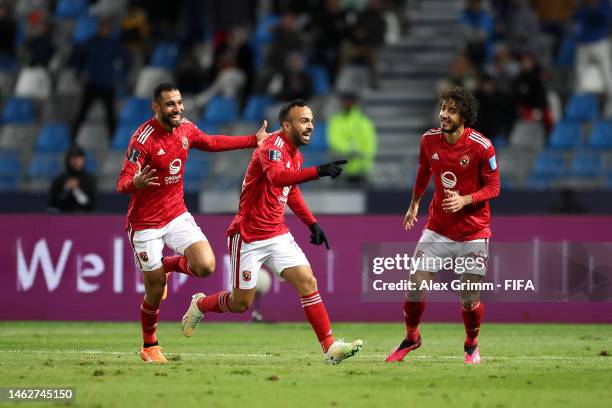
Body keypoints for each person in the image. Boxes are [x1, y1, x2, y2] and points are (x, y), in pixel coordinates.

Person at [180, 99, 363, 365]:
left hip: (277, 233)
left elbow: (290, 191)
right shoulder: (272, 147)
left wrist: (311, 223)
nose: (310, 126)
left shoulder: (295, 153)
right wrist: (319, 172)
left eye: (311, 120)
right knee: (241, 304)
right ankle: (201, 305)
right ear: (286, 125)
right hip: (249, 236)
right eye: (304, 121)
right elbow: (278, 178)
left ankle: (330, 348)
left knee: (307, 281)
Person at [116, 82, 271, 363]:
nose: (177, 108)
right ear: (156, 107)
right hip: (145, 222)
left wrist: (253, 140)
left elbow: (211, 142)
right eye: (170, 104)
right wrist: (135, 183)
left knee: (206, 266)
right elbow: (122, 182)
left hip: (176, 212)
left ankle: (167, 266)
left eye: (179, 102)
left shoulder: (186, 128)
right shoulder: (143, 139)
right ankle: (149, 345)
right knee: (153, 290)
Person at [385, 86, 500, 364]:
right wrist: (414, 204)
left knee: (469, 296)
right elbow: (424, 171)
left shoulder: (482, 147)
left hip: (474, 230)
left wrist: (466, 200)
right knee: (415, 285)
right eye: (443, 109)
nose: (444, 115)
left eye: (452, 110)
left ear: (465, 116)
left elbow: (494, 187)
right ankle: (412, 337)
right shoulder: (428, 140)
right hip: (438, 228)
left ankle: (471, 343)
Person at [327, 92, 378, 186]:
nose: (345, 104)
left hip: (362, 170)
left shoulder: (364, 122)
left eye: (348, 101)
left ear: (354, 103)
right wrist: (350, 149)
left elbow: (370, 144)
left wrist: (365, 162)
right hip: (342, 170)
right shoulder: (336, 121)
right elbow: (333, 140)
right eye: (344, 101)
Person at [48, 144, 96, 212]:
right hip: (62, 219)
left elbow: (91, 205)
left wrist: (76, 190)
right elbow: (52, 203)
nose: (77, 162)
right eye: (74, 158)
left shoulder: (89, 180)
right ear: (68, 160)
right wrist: (66, 188)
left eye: (79, 158)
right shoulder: (59, 180)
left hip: (83, 219)